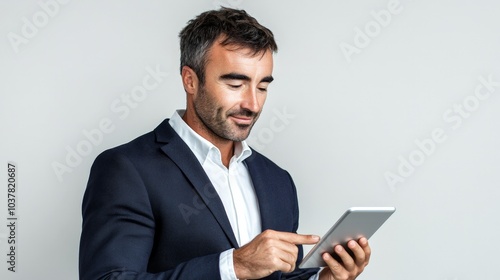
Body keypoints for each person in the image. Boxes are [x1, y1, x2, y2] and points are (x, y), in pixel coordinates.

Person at [79, 7, 371, 280]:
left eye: (262, 86)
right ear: (190, 80)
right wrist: (232, 266)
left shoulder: (278, 181)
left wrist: (323, 277)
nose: (253, 104)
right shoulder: (126, 169)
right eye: (235, 84)